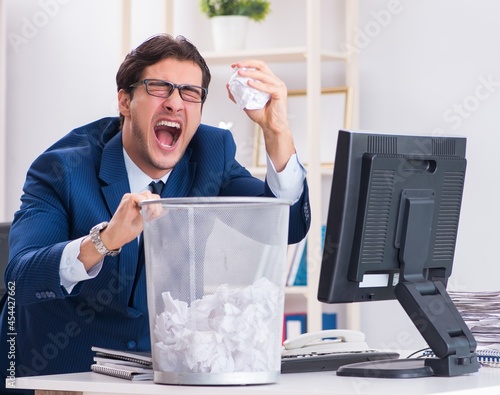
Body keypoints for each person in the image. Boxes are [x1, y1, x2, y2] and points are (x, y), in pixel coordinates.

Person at [0, 34, 310, 392]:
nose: (176, 103)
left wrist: (277, 132)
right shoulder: (62, 168)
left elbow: (285, 225)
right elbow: (19, 280)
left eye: (190, 93)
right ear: (125, 101)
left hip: (161, 380)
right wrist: (103, 242)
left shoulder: (210, 153)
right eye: (160, 87)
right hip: (62, 377)